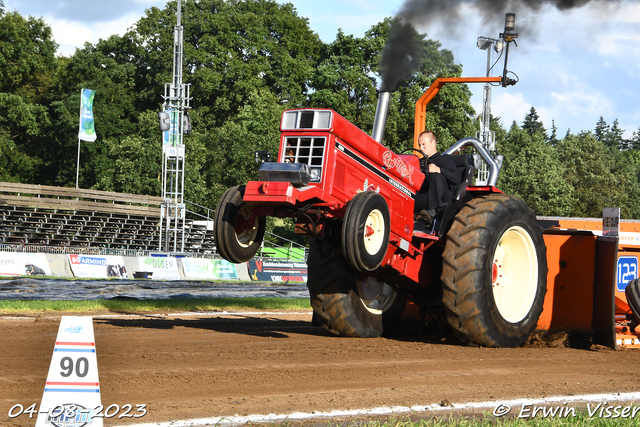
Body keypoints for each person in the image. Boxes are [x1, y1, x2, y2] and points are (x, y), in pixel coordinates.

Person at [413, 131, 459, 222]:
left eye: (423, 144)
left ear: (433, 143)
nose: (421, 148)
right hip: (422, 197)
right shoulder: (419, 162)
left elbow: (456, 178)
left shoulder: (445, 161)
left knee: (435, 175)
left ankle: (432, 212)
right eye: (419, 145)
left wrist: (439, 170)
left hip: (441, 199)